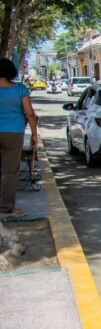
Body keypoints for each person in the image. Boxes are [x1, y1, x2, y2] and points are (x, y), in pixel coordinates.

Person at [0, 58, 38, 218]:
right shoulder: (20, 89)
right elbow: (29, 113)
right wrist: (35, 134)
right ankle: (6, 208)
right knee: (10, 171)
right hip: (13, 133)